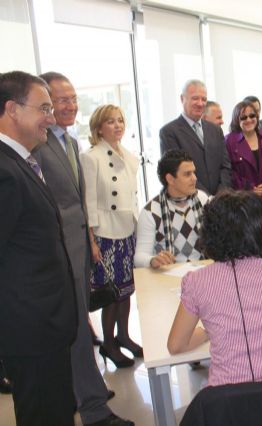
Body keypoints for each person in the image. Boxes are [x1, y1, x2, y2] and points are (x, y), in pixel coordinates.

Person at [34, 72, 132, 426]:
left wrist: (89, 241)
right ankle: (91, 405)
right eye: (60, 100)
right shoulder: (36, 145)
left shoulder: (68, 141)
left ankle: (88, 392)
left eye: (73, 98)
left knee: (79, 326)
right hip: (58, 253)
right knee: (75, 330)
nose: (69, 105)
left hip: (79, 248)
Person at [167, 190, 262, 387]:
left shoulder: (196, 281)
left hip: (226, 402)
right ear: (258, 230)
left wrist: (210, 330)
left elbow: (176, 345)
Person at [0, 71, 77, 425]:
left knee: (58, 410)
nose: (51, 116)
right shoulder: (5, 170)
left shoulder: (21, 161)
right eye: (44, 108)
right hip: (30, 329)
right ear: (12, 109)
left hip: (45, 325)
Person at [80, 104, 142, 369]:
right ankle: (108, 343)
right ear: (98, 128)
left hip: (127, 229)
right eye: (110, 122)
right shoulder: (91, 157)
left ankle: (124, 336)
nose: (117, 126)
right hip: (105, 234)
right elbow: (89, 201)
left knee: (126, 290)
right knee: (111, 293)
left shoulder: (128, 156)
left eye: (120, 120)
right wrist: (92, 239)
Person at [135, 149, 210, 268]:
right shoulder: (150, 212)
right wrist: (152, 260)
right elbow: (139, 257)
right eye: (187, 174)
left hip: (204, 271)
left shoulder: (203, 199)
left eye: (194, 172)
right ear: (170, 179)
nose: (194, 178)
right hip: (169, 277)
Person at [225, 100, 262, 247]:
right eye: (243, 117)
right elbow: (229, 171)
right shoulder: (229, 141)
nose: (249, 120)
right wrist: (250, 188)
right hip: (243, 201)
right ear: (237, 120)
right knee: (248, 244)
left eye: (252, 115)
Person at [159, 79, 231, 196]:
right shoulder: (169, 132)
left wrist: (220, 194)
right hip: (190, 202)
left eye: (204, 99)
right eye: (195, 98)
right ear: (182, 99)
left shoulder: (215, 130)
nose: (200, 103)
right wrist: (205, 198)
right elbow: (176, 172)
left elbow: (225, 166)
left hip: (220, 201)